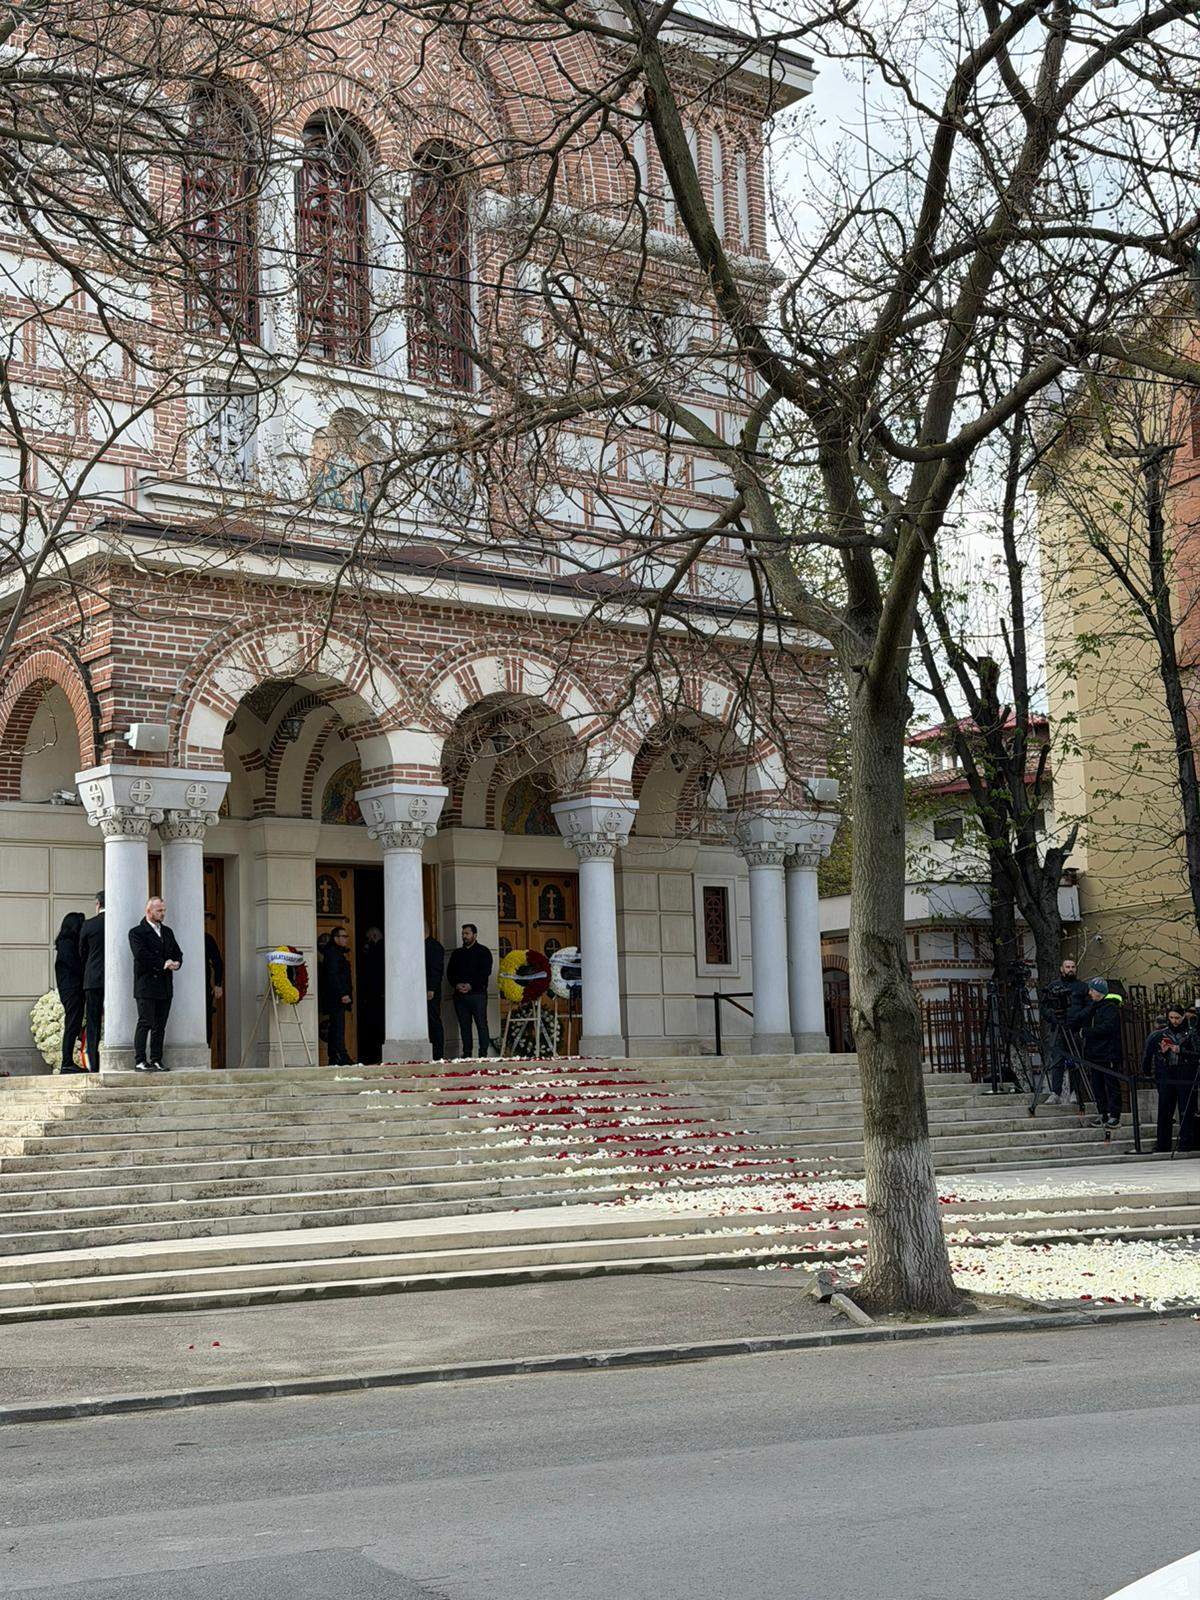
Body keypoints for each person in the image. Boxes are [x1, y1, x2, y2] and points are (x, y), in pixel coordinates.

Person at [128, 895, 183, 1072]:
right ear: (148, 911)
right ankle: (140, 1059)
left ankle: (156, 1059)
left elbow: (177, 952)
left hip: (165, 986)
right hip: (146, 985)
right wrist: (162, 964)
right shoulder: (137, 932)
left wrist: (177, 962)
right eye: (159, 910)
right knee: (145, 1022)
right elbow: (141, 955)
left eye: (164, 910)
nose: (163, 913)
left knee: (160, 1025)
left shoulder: (167, 932)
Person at [1142, 1005, 1198, 1153]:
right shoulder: (1158, 1035)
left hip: (1185, 1074)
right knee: (1165, 1109)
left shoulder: (1191, 1034)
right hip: (1166, 1074)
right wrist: (1162, 1053)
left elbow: (1197, 1053)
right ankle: (1163, 1144)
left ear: (1183, 1017)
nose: (1174, 1021)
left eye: (1177, 1018)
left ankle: (1186, 1142)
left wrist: (1180, 1050)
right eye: (1171, 1018)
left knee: (1186, 1108)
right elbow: (1148, 1056)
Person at [1040, 957, 1090, 1105]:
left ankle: (1075, 1092)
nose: (1070, 969)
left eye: (1073, 967)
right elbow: (1044, 1007)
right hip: (1058, 1029)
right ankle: (1055, 1092)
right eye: (1067, 967)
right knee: (1057, 1061)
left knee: (1076, 1061)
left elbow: (1089, 1006)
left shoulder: (1082, 987)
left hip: (1075, 1029)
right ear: (1062, 969)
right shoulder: (1053, 986)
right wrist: (1053, 1017)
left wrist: (1078, 1017)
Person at [1078, 977, 1124, 1128]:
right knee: (1097, 1086)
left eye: (1092, 990)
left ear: (1100, 992)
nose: (1090, 993)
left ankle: (1114, 1114)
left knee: (1111, 1085)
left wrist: (1087, 1032)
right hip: (1095, 1054)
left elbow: (1107, 1028)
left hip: (1108, 1053)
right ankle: (1102, 1113)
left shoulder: (1110, 1008)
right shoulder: (1094, 1007)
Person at [447, 923, 493, 1058]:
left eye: (467, 933)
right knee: (464, 1025)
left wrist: (471, 985)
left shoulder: (483, 951)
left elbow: (485, 972)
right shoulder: (457, 953)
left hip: (477, 994)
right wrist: (457, 984)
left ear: (475, 935)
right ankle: (467, 1054)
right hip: (460, 996)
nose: (464, 936)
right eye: (463, 934)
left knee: (481, 1024)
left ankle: (483, 1053)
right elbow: (450, 973)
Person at [54, 911, 86, 1075]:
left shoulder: (65, 944)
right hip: (72, 990)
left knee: (73, 1025)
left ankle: (68, 1062)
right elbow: (75, 966)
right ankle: (66, 1062)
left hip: (71, 989)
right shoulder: (67, 944)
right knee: (72, 1025)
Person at [78, 891, 105, 1072]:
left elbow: (82, 952)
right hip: (116, 981)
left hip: (93, 978)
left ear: (98, 904)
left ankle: (94, 1065)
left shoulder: (89, 924)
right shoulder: (118, 923)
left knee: (94, 1022)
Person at [323, 924, 353, 1065]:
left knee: (337, 1027)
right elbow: (333, 976)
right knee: (337, 1028)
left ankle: (336, 1057)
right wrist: (342, 994)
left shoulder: (337, 952)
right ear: (336, 938)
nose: (346, 939)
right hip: (336, 998)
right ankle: (340, 1056)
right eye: (344, 936)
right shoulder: (332, 953)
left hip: (338, 997)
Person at [358, 925, 385, 1063]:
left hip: (377, 994)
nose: (368, 941)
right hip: (377, 994)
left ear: (374, 937)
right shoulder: (379, 948)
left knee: (377, 1026)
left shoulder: (378, 949)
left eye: (369, 939)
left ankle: (376, 1054)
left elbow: (374, 972)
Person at [425, 921, 445, 1061]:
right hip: (420, 990)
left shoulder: (434, 946)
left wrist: (431, 988)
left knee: (433, 1021)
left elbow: (436, 969)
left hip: (430, 991)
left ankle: (438, 1054)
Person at [204, 931, 224, 1049]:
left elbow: (217, 962)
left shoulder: (207, 938)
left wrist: (218, 984)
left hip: (205, 987)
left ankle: (207, 1049)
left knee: (207, 1021)